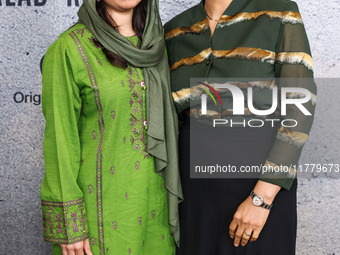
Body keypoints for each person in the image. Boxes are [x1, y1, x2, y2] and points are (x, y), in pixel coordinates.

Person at [164, 0, 316, 254]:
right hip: (195, 197)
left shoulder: (279, 13)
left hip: (260, 189)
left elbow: (300, 107)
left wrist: (261, 200)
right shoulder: (174, 30)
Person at [39, 0, 183, 254]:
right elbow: (60, 142)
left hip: (157, 208)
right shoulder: (70, 48)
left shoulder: (159, 45)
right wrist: (70, 226)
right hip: (101, 213)